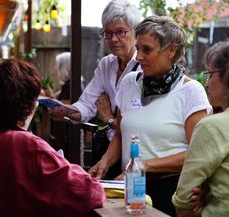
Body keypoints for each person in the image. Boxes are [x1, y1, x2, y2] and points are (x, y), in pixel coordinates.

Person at [88, 16, 212, 216]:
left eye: (147, 50)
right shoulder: (129, 83)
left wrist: (143, 165)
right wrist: (104, 162)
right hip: (128, 186)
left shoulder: (191, 91)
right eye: (138, 48)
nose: (138, 57)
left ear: (171, 50)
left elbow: (199, 153)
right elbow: (120, 135)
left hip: (170, 190)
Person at [0, 58, 105, 217]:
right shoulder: (25, 146)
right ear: (23, 104)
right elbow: (89, 194)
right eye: (34, 99)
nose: (36, 104)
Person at [172, 31, 229, 217]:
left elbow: (183, 206)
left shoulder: (212, 127)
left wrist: (205, 200)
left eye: (210, 75)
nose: (207, 83)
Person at [49, 0, 142, 135]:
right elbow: (86, 104)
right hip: (112, 146)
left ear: (135, 32)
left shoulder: (145, 66)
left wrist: (109, 119)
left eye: (120, 32)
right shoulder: (106, 65)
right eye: (108, 33)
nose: (113, 39)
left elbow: (139, 122)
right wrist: (65, 110)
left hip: (136, 148)